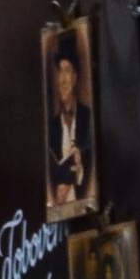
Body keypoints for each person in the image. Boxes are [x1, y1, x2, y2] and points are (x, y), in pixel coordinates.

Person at [48, 35, 94, 213]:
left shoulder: (88, 118)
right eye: (60, 71)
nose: (62, 79)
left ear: (75, 77)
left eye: (67, 71)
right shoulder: (52, 127)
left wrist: (79, 171)